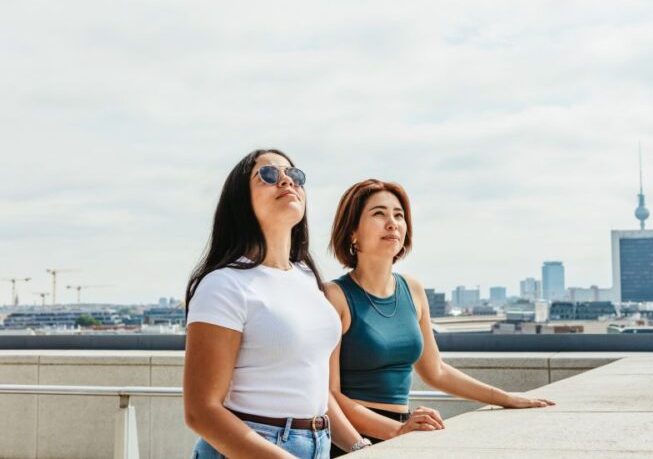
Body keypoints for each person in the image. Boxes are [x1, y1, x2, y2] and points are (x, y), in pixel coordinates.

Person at [326, 179, 555, 455]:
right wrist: (395, 430)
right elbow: (329, 394)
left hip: (405, 432)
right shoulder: (334, 296)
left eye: (399, 215)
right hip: (352, 439)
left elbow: (436, 371)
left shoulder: (413, 290)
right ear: (352, 232)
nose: (392, 223)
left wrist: (504, 398)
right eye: (379, 213)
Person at [183, 149, 370, 459]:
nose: (286, 180)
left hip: (318, 444)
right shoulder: (223, 285)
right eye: (268, 175)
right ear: (241, 201)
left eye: (294, 175)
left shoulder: (307, 279)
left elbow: (314, 389)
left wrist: (357, 447)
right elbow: (201, 411)